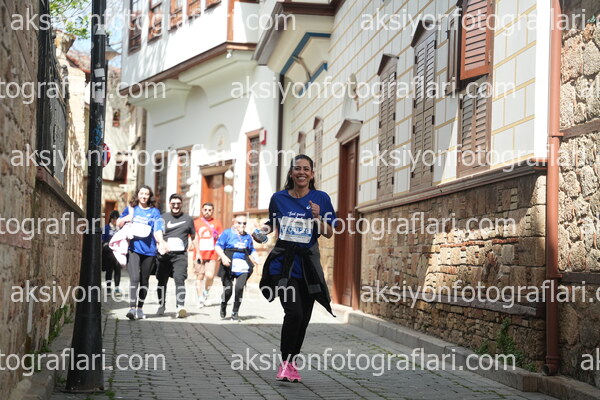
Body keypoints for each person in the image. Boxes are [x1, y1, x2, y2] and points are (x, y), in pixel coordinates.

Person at [254, 154, 336, 383]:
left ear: (312, 174)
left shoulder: (321, 198)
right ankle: (285, 362)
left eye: (306, 169)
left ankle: (291, 363)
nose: (302, 172)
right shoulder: (278, 198)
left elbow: (330, 232)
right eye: (297, 168)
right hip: (284, 265)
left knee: (304, 317)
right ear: (291, 173)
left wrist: (317, 217)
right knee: (294, 312)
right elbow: (272, 223)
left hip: (308, 266)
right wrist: (261, 232)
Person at [117, 185, 164, 320]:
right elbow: (118, 223)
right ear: (137, 195)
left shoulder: (155, 212)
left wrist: (161, 242)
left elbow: (157, 229)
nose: (144, 196)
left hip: (149, 251)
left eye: (146, 194)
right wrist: (125, 219)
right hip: (134, 249)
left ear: (150, 196)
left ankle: (140, 309)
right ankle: (132, 308)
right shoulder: (131, 209)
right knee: (135, 278)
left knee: (144, 280)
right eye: (141, 193)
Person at [155, 194, 196, 318]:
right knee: (161, 281)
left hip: (180, 256)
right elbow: (157, 233)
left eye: (178, 203)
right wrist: (160, 244)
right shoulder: (162, 217)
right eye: (173, 203)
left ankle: (180, 307)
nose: (176, 206)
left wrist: (191, 243)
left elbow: (193, 235)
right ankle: (161, 305)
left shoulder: (188, 219)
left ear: (182, 204)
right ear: (169, 204)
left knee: (179, 279)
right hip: (164, 256)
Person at [215, 215, 259, 321]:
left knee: (239, 288)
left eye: (244, 223)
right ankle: (224, 303)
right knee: (228, 290)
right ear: (234, 222)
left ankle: (235, 312)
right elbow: (218, 246)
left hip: (243, 266)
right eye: (239, 223)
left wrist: (256, 257)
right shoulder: (227, 233)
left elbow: (251, 249)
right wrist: (223, 257)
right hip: (228, 264)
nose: (242, 225)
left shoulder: (247, 237)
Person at [193, 203, 223, 306]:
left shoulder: (217, 223)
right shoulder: (196, 223)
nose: (207, 212)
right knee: (199, 276)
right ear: (202, 210)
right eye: (205, 209)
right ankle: (200, 298)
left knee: (210, 275)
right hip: (199, 254)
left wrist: (220, 252)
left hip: (212, 254)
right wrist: (197, 252)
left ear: (213, 211)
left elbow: (221, 238)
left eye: (210, 210)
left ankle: (205, 292)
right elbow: (194, 238)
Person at [102, 210, 122, 295]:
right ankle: (108, 288)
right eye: (113, 218)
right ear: (110, 219)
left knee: (117, 270)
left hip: (118, 253)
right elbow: (102, 240)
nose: (114, 220)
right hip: (109, 253)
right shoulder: (106, 228)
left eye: (116, 218)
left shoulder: (120, 229)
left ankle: (117, 288)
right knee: (109, 270)